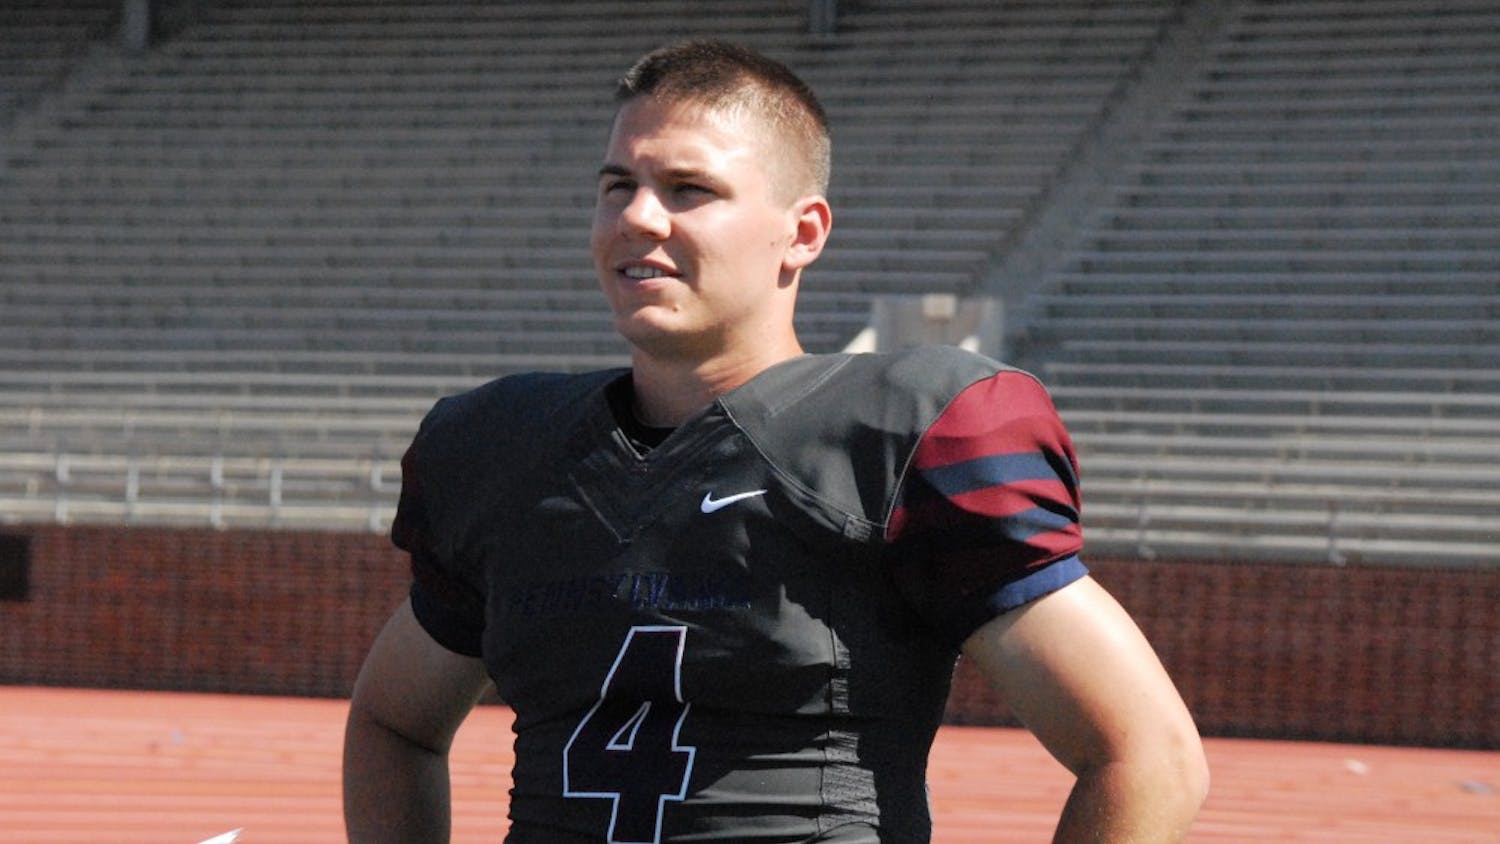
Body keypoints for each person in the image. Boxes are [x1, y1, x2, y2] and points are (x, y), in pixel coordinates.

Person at [343, 39, 1209, 844]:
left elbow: (1148, 756)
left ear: (802, 233)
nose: (638, 217)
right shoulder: (504, 449)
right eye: (617, 185)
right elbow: (393, 721)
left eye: (688, 190)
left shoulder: (898, 436)